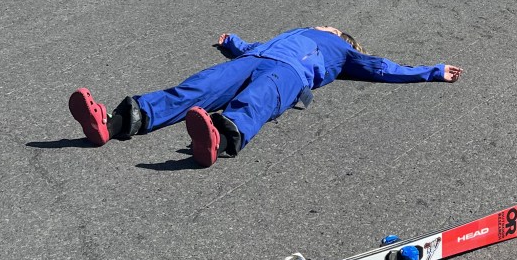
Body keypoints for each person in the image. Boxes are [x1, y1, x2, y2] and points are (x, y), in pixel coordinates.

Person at [69, 26, 463, 167]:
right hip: (256, 58)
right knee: (197, 88)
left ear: (341, 37)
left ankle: (217, 139)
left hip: (288, 75)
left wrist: (431, 71)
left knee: (256, 102)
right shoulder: (292, 33)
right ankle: (113, 123)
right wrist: (232, 42)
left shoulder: (341, 51)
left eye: (333, 27)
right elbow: (251, 46)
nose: (326, 23)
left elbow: (382, 68)